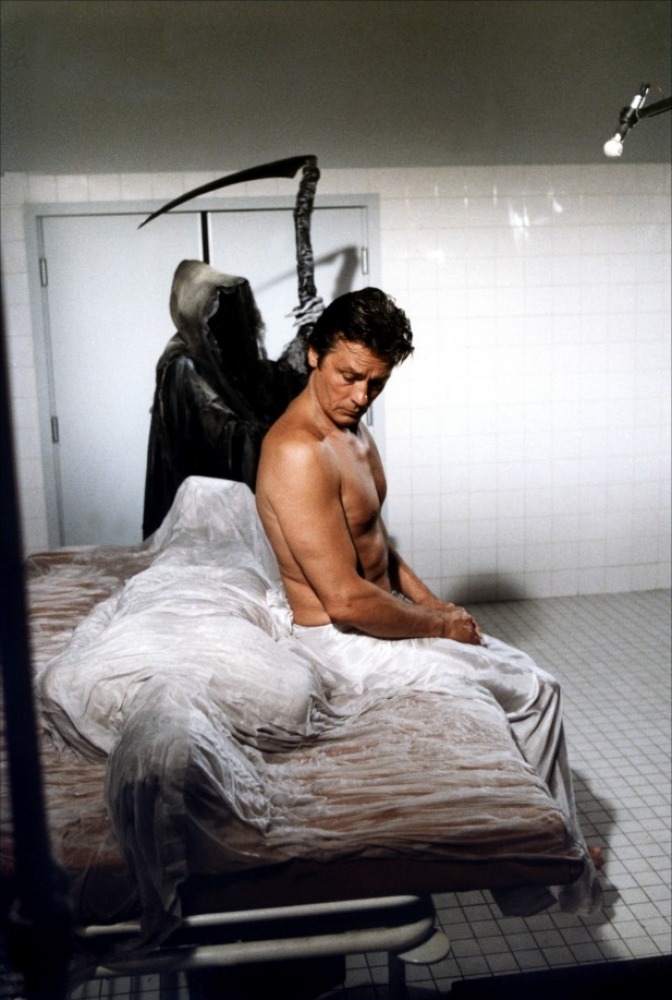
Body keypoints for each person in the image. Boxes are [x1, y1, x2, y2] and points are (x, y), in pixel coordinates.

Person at [256, 286, 602, 916]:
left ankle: (542, 852)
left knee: (526, 678)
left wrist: (440, 609)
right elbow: (345, 600)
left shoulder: (350, 429)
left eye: (377, 383)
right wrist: (438, 625)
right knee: (534, 689)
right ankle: (544, 872)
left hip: (372, 621)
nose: (361, 395)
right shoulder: (298, 451)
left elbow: (376, 544)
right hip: (341, 644)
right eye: (349, 376)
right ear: (312, 354)